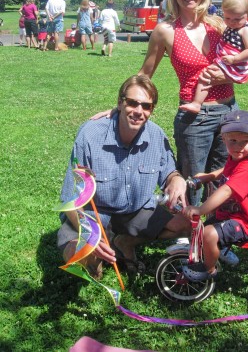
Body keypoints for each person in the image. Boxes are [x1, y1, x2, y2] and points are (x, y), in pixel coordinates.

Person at [92, 0, 241, 207]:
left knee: (223, 176)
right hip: (196, 119)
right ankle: (186, 233)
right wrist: (120, 106)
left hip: (229, 111)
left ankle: (215, 232)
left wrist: (224, 77)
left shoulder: (219, 25)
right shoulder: (165, 31)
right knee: (192, 180)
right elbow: (145, 74)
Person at [57, 75, 191, 278]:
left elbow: (170, 173)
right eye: (132, 103)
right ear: (120, 103)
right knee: (78, 257)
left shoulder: (156, 136)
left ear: (152, 109)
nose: (139, 111)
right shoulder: (90, 135)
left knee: (186, 223)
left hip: (135, 212)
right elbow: (71, 200)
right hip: (94, 216)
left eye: (146, 106)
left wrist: (177, 180)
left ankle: (124, 242)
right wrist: (91, 237)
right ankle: (97, 257)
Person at [181, 110, 248, 281]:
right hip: (228, 215)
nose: (238, 147)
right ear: (224, 139)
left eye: (245, 142)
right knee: (202, 231)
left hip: (245, 222)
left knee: (209, 234)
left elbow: (226, 190)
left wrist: (201, 209)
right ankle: (218, 249)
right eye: (233, 141)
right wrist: (209, 176)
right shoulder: (235, 158)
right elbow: (226, 171)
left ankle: (210, 270)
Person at [179, 0, 248, 114]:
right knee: (207, 74)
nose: (232, 22)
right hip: (226, 60)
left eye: (237, 19)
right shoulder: (230, 27)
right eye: (227, 18)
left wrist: (234, 59)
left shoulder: (245, 30)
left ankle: (196, 103)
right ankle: (197, 103)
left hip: (235, 62)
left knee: (206, 75)